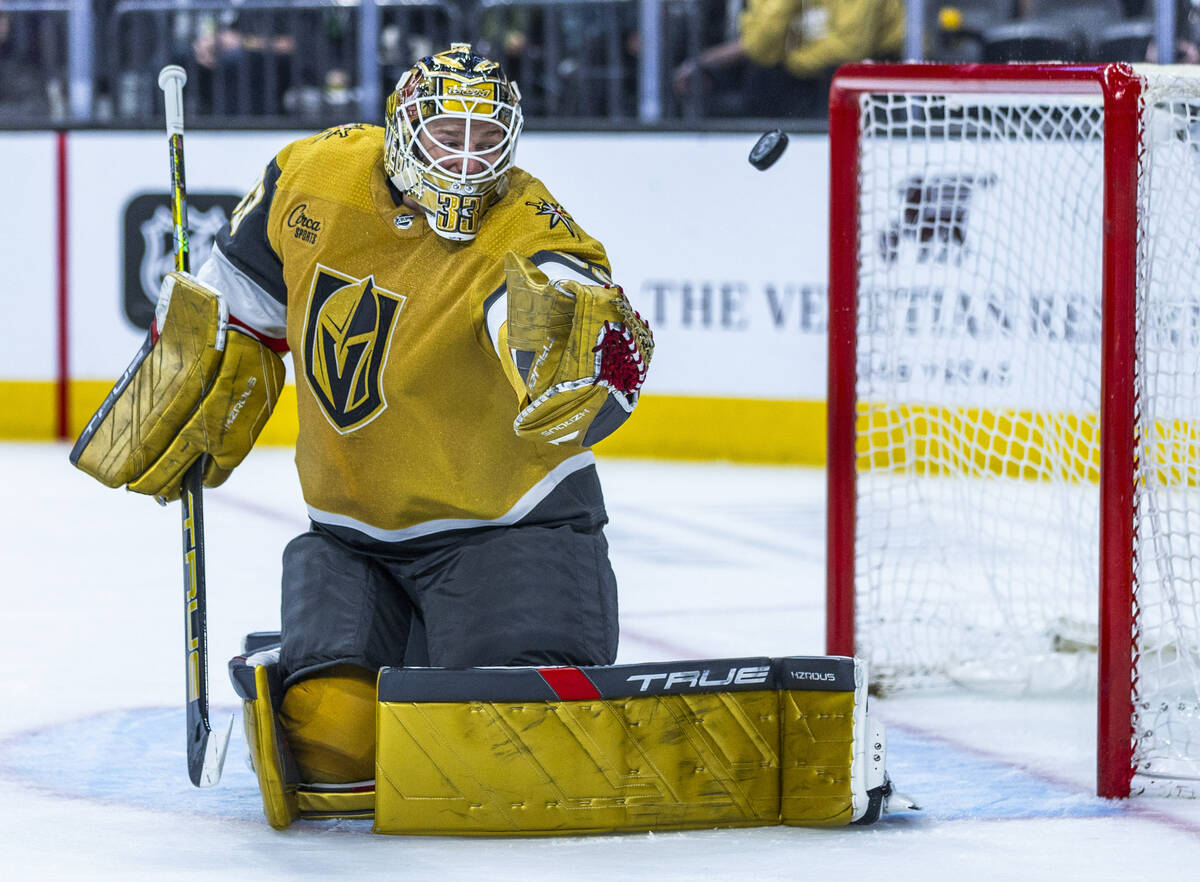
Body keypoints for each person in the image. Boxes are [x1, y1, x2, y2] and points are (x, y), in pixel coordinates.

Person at [72, 43, 653, 791]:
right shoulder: (314, 174)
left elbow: (552, 296)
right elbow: (243, 308)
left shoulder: (528, 228)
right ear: (405, 127)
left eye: (487, 139)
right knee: (331, 748)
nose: (469, 160)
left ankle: (468, 654)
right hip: (352, 539)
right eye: (450, 134)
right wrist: (196, 366)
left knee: (507, 750)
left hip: (511, 531)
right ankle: (407, 651)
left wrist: (579, 348)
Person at [673, 0, 905, 118]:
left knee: (832, 78)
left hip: (877, 68)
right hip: (800, 69)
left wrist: (792, 60)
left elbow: (850, 47)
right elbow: (759, 46)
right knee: (762, 78)